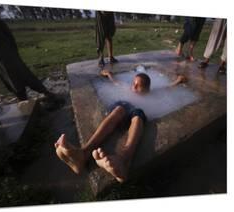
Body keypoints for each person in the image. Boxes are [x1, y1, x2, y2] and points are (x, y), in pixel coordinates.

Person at [54, 69, 186, 183]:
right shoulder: (127, 89)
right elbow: (115, 82)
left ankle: (124, 160)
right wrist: (109, 74)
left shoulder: (152, 93)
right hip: (123, 105)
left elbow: (167, 88)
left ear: (147, 89)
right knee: (118, 110)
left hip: (137, 110)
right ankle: (83, 153)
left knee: (138, 116)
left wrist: (178, 80)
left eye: (138, 86)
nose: (133, 87)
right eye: (133, 83)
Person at [0, 17, 57, 102]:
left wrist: (13, 51)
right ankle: (25, 100)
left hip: (6, 52)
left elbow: (8, 35)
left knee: (22, 74)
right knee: (12, 78)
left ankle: (44, 93)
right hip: (0, 59)